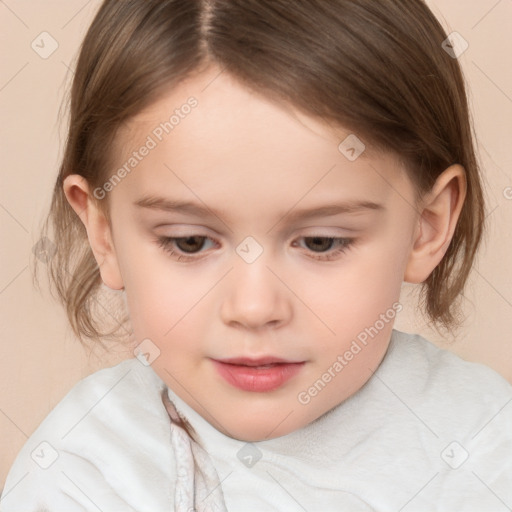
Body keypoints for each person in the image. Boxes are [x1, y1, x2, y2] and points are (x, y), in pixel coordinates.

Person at [1, 0, 511, 510]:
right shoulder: (79, 473)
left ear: (428, 226)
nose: (254, 307)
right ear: (105, 233)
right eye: (190, 242)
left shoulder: (487, 450)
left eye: (320, 242)